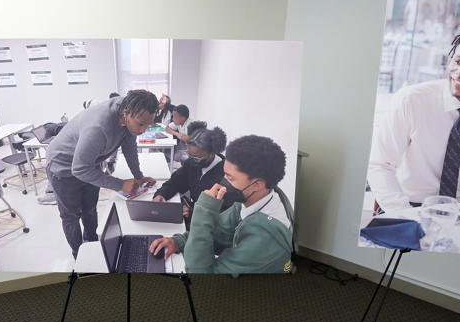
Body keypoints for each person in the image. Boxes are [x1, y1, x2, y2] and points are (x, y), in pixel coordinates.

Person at [367, 26, 460, 211]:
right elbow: (380, 164)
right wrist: (403, 214)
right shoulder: (411, 100)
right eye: (458, 61)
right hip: (407, 205)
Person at [149, 135, 293, 274]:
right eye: (225, 173)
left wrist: (204, 209)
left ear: (257, 185)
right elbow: (219, 231)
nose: (222, 181)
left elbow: (203, 277)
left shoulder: (266, 237)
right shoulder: (250, 200)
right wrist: (179, 241)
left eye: (230, 177)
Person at [46, 90, 158, 256]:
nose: (143, 130)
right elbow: (79, 169)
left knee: (90, 209)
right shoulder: (98, 127)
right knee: (71, 216)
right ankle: (80, 255)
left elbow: (129, 146)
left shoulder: (131, 110)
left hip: (90, 164)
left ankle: (92, 243)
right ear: (126, 113)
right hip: (62, 167)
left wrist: (138, 176)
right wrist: (120, 184)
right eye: (141, 124)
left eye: (148, 125)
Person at [152, 121, 242, 226]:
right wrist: (161, 194)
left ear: (212, 153)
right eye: (189, 154)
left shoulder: (226, 178)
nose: (192, 160)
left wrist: (193, 212)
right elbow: (175, 182)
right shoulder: (192, 164)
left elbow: (223, 215)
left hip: (207, 226)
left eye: (197, 157)